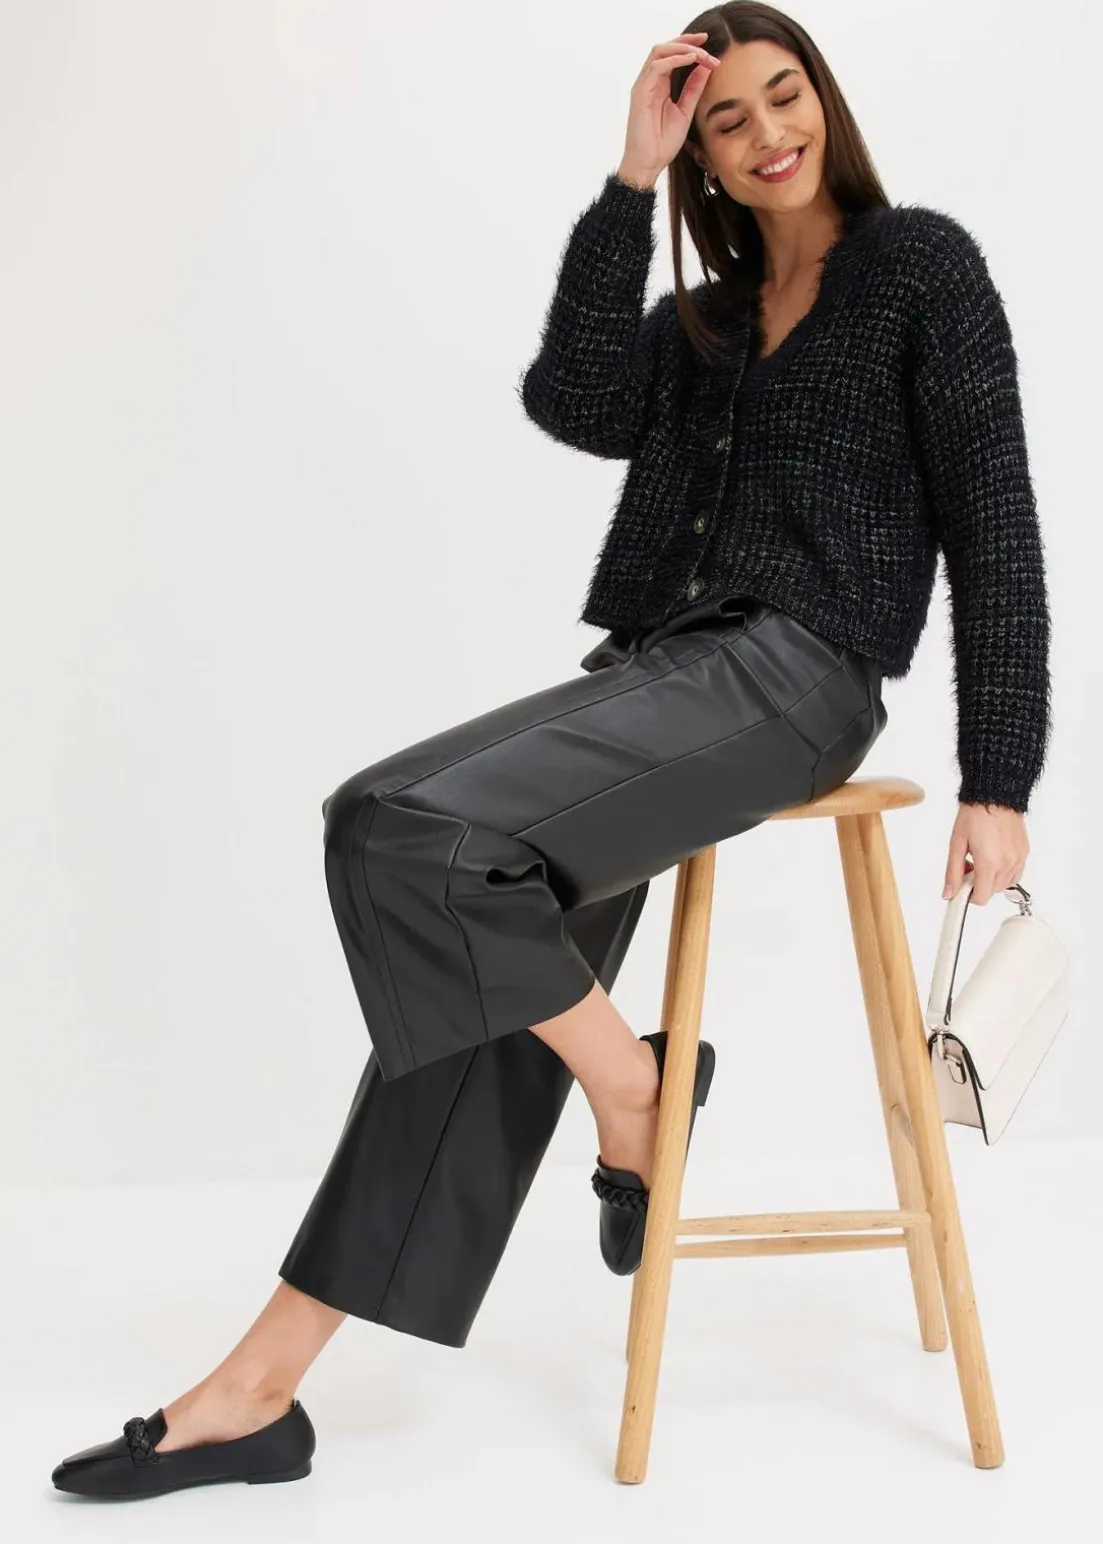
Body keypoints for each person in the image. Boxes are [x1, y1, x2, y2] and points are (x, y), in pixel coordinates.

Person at [50, 2, 1051, 1500]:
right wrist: (629, 178)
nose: (767, 135)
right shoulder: (709, 313)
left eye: (785, 97)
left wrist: (998, 778)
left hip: (799, 676)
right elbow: (570, 397)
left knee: (396, 828)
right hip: (667, 673)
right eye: (727, 119)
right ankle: (264, 1387)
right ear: (703, 153)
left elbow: (996, 520)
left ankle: (636, 1093)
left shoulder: (920, 268)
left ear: (826, 104)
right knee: (462, 931)